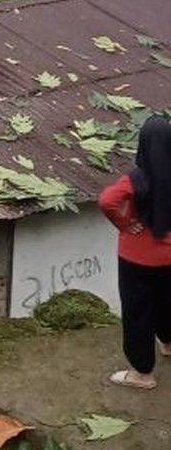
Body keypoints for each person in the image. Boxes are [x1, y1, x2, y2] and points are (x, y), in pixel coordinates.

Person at [99, 115, 171, 390]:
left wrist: (126, 223)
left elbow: (107, 200)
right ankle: (168, 343)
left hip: (137, 258)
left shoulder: (137, 178)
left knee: (138, 312)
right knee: (168, 301)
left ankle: (142, 374)